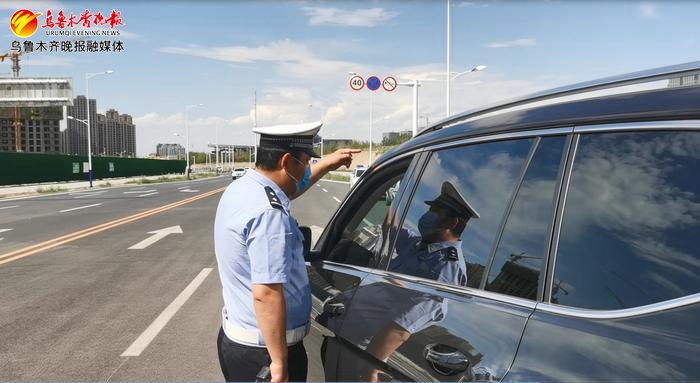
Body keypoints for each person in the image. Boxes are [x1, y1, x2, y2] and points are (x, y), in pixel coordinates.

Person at [214, 121, 360, 382]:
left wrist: (326, 164)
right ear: (286, 162)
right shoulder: (269, 215)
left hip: (241, 343)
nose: (306, 169)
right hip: (265, 354)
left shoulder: (246, 187)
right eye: (304, 162)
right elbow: (267, 294)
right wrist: (279, 363)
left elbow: (287, 190)